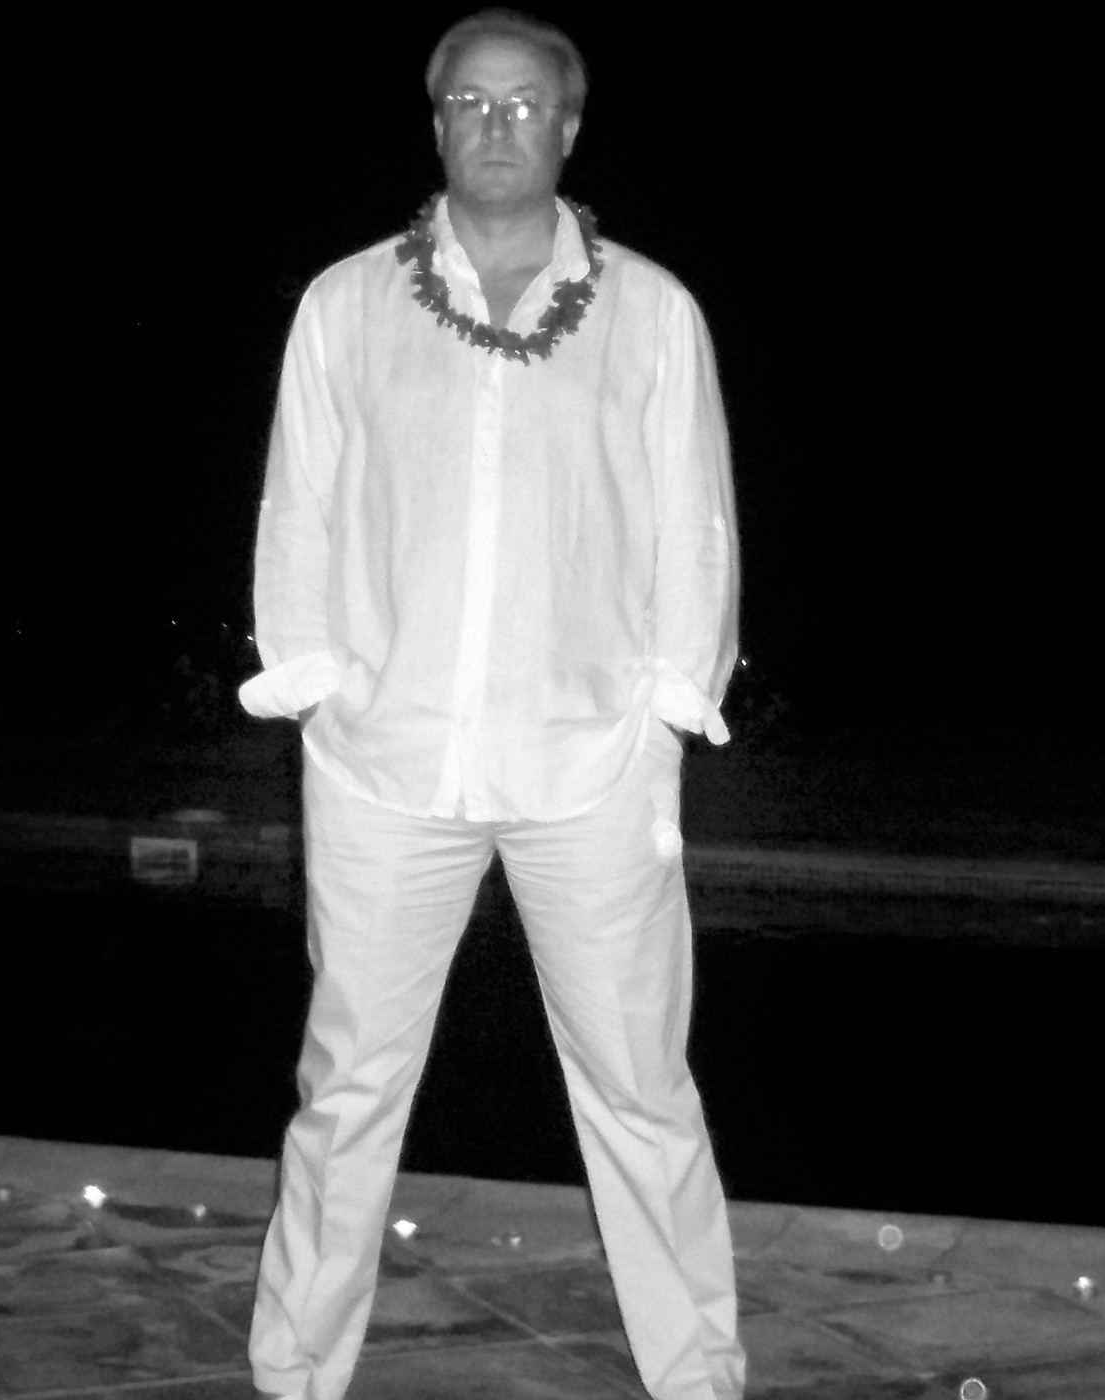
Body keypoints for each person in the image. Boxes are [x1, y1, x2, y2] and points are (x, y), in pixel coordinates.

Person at [238, 10, 745, 1398]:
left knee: (640, 1087)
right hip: (384, 763)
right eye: (471, 102)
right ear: (437, 121)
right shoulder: (348, 304)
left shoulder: (650, 311)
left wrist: (664, 715)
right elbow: (299, 507)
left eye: (525, 104)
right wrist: (321, 687)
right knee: (346, 1086)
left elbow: (694, 526)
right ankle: (295, 1372)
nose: (497, 125)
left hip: (591, 764)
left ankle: (697, 1377)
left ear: (569, 127)